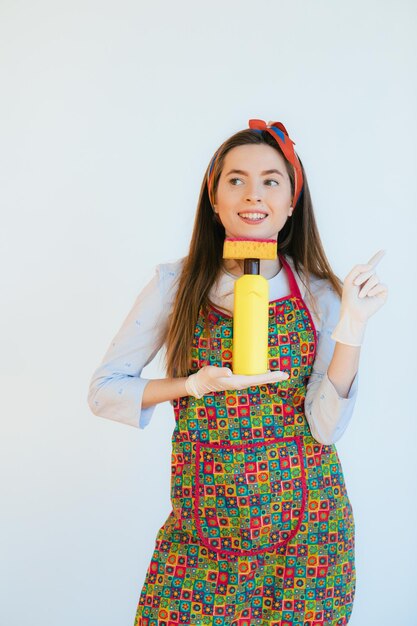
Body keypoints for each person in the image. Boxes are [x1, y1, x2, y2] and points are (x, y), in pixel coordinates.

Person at [87, 118, 388, 626]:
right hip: (201, 537)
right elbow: (104, 391)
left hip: (308, 538)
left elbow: (327, 426)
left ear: (292, 202)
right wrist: (191, 384)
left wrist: (352, 327)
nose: (254, 194)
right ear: (214, 196)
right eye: (236, 179)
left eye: (271, 180)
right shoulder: (174, 285)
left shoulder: (319, 294)